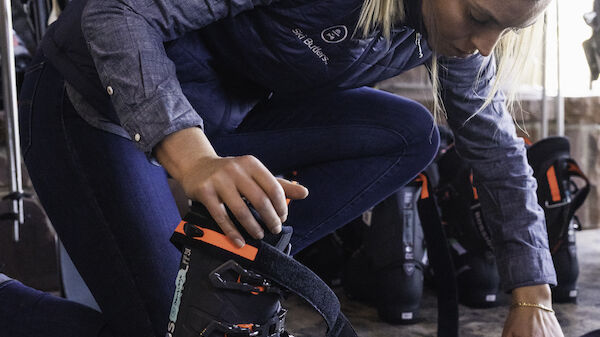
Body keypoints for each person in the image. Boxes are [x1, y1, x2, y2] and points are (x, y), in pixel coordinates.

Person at [0, 0, 564, 336]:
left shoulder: (449, 33)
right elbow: (115, 11)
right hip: (97, 100)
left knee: (409, 133)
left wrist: (532, 297)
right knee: (176, 332)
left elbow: (495, 148)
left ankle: (228, 270)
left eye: (505, 31)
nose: (485, 45)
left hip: (220, 112)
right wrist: (192, 156)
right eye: (478, 16)